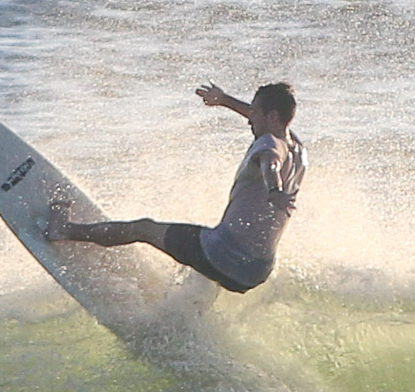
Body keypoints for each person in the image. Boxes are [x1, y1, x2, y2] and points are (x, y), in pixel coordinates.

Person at [44, 81, 306, 293]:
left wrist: (274, 190)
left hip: (225, 257)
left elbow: (271, 164)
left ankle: (63, 229)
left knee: (143, 228)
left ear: (271, 116)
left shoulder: (269, 145)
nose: (250, 118)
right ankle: (188, 311)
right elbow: (270, 139)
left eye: (255, 113)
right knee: (205, 249)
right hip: (256, 271)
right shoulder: (297, 149)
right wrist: (224, 100)